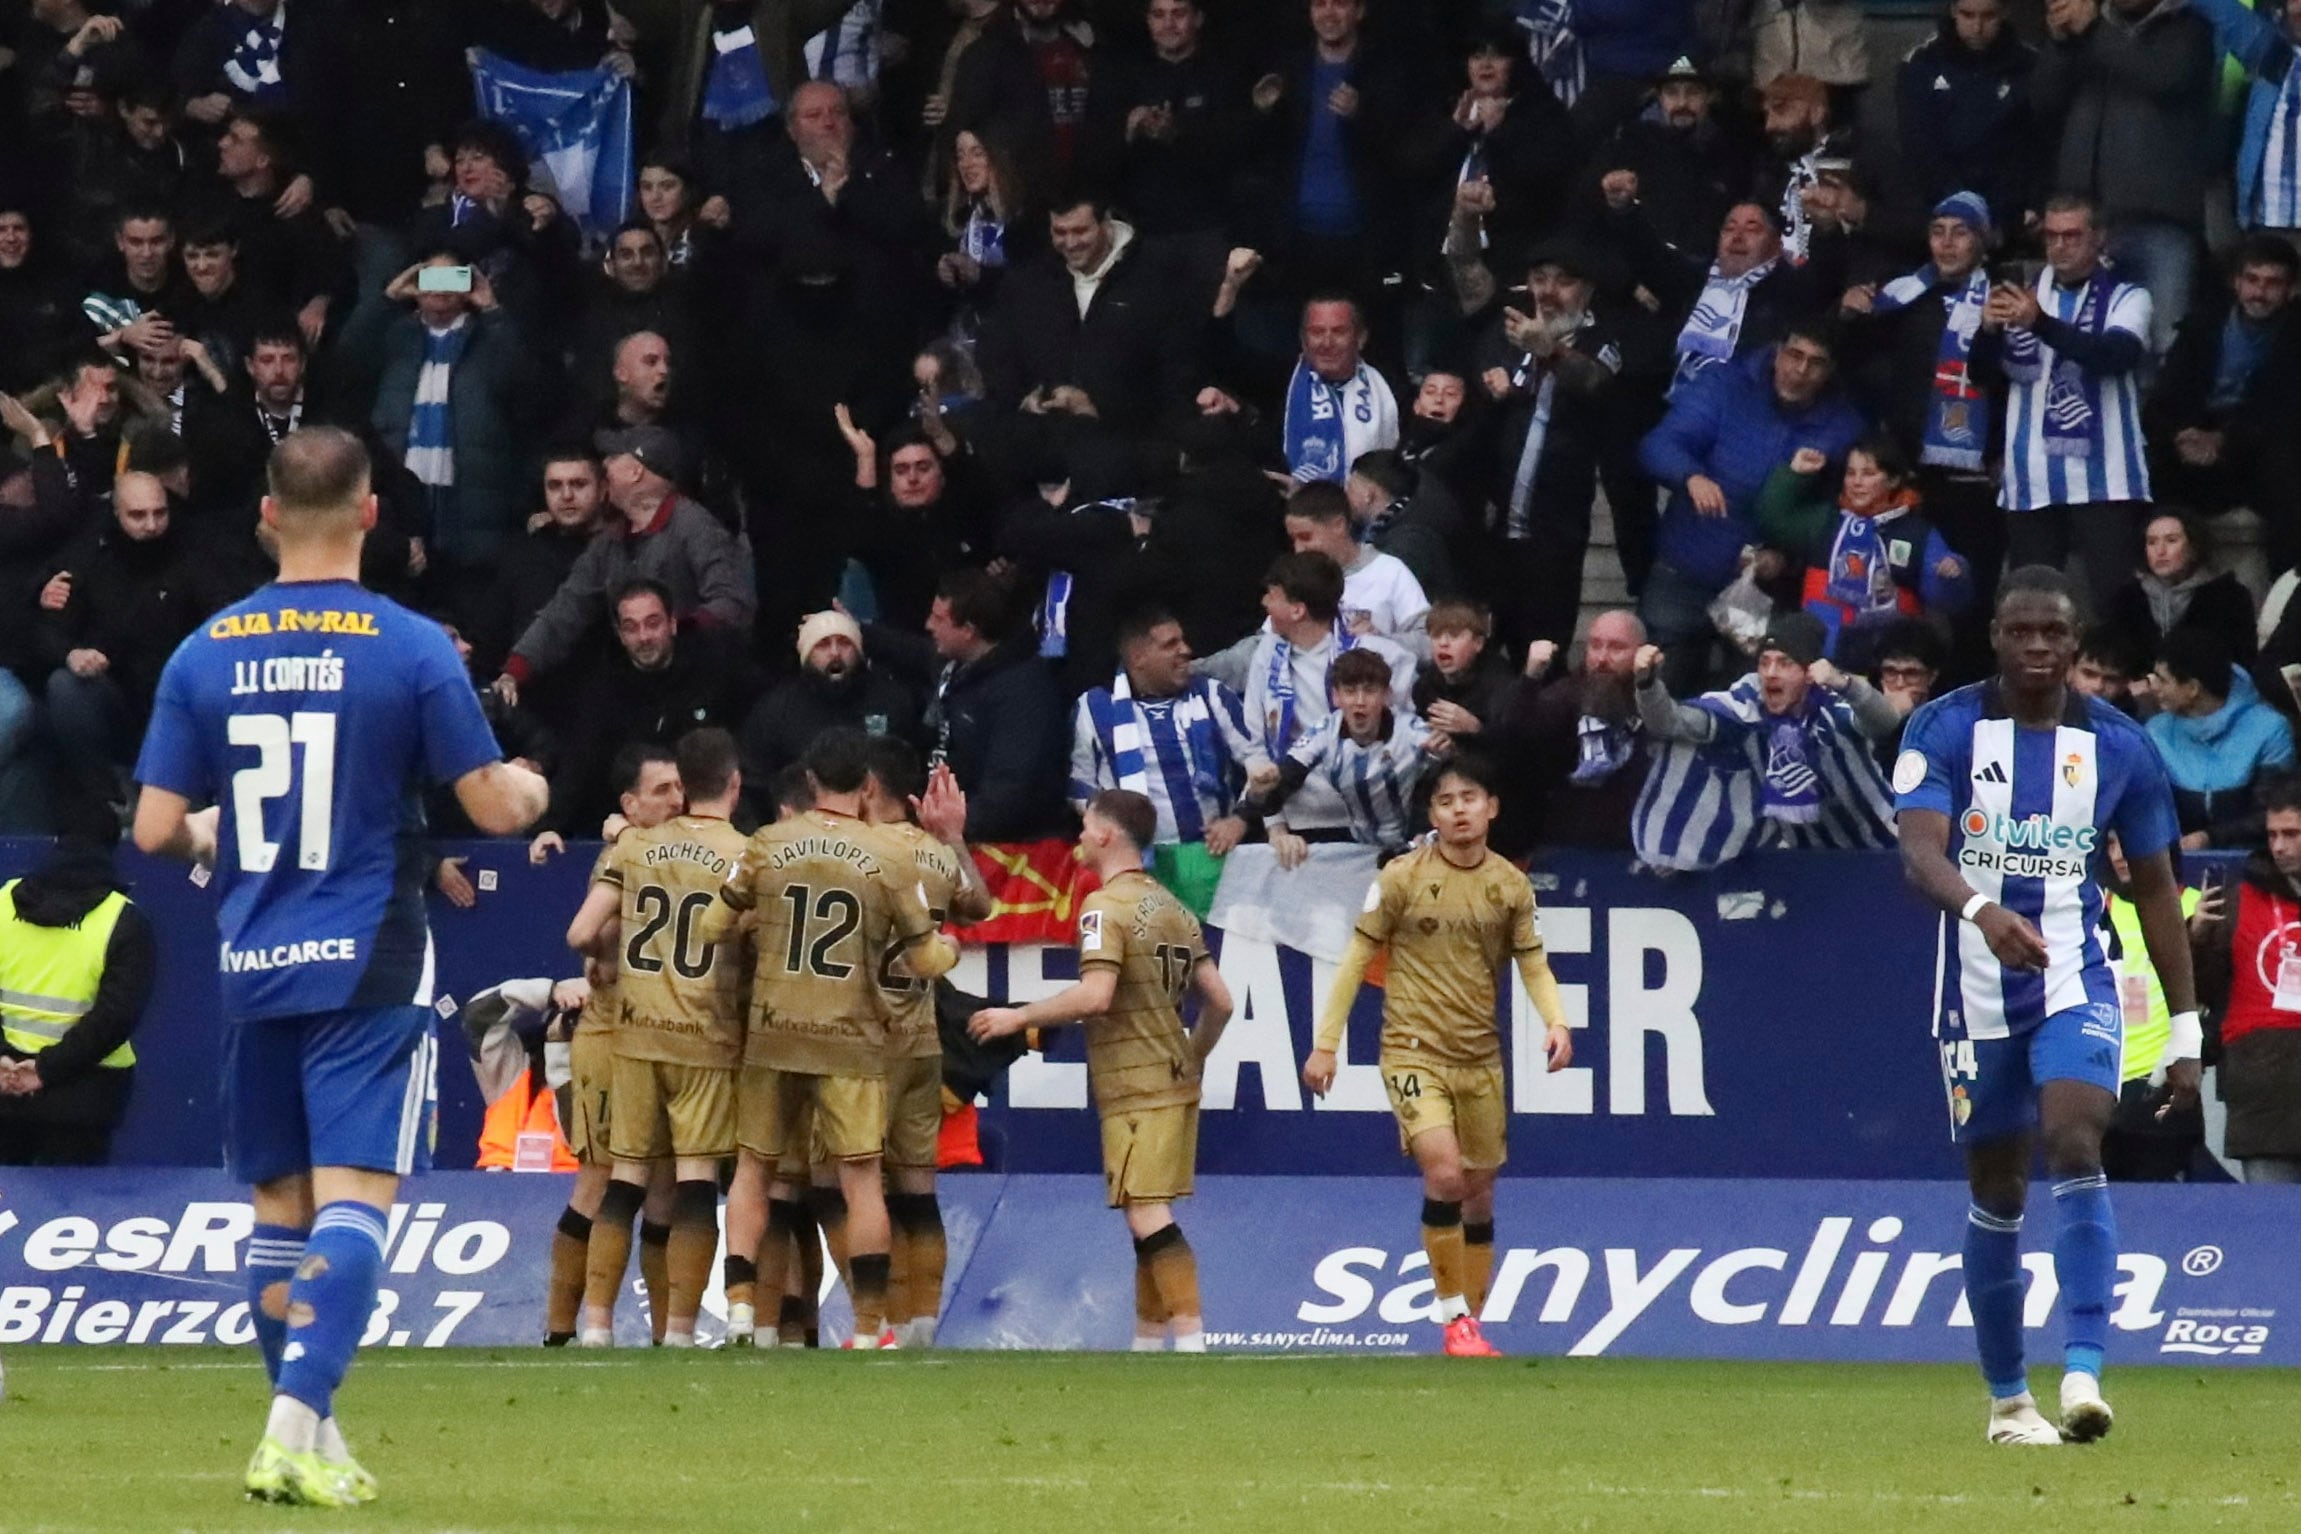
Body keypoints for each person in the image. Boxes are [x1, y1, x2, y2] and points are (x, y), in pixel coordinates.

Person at [130, 427, 548, 1505]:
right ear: (370, 514)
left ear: (267, 517)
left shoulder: (205, 650)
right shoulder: (409, 647)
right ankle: (287, 1425)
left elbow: (151, 829)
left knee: (279, 1207)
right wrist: (538, 788)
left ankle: (311, 1431)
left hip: (254, 955)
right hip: (367, 949)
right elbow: (493, 807)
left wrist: (211, 836)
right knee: (357, 1197)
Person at [1892, 563, 2201, 1446]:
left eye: (2053, 634)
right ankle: (2006, 1401)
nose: (2036, 647)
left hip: (2074, 972)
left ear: (2076, 646)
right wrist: (1982, 912)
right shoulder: (1943, 727)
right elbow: (1918, 851)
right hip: (1975, 984)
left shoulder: (2120, 746)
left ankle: (2082, 1373)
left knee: (2072, 1133)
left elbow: (2153, 884)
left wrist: (2184, 1030)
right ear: (1994, 634)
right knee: (1997, 1187)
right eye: (2019, 631)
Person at [1302, 753, 1572, 1357]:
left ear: (1492, 807)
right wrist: (1326, 1043)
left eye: (1470, 799)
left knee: (1478, 1188)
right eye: (1446, 802)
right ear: (1432, 813)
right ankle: (1455, 1321)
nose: (1459, 811)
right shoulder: (1400, 878)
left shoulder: (1508, 884)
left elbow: (1532, 961)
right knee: (1445, 1174)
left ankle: (1470, 1324)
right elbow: (1355, 959)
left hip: (1480, 1057)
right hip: (1412, 1050)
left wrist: (1556, 1020)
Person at [712, 726, 960, 1350]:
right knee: (861, 1180)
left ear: (812, 781)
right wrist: (949, 949)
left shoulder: (768, 843)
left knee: (753, 1169)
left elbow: (718, 924)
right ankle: (873, 1327)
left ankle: (741, 1309)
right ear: (869, 785)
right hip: (850, 1039)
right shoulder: (891, 858)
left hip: (774, 1032)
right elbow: (926, 960)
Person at [970, 788, 1234, 1352]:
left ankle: (1192, 1341)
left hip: (1135, 1082)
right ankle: (1147, 1340)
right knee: (1144, 1210)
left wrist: (1020, 1016)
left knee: (1146, 1211)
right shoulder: (1173, 907)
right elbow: (1222, 1001)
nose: (1080, 837)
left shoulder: (1103, 907)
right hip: (1170, 1078)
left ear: (1109, 835)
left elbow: (1096, 995)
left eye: (1087, 826)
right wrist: (1194, 1057)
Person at [562, 727, 750, 1349]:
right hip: (703, 1032)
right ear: (733, 783)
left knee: (628, 1178)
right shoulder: (745, 854)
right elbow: (753, 943)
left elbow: (581, 931)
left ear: (685, 786)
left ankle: (594, 1326)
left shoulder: (637, 846)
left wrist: (608, 952)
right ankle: (678, 1332)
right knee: (695, 1179)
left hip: (636, 1033)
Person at [537, 742, 683, 1349]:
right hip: (611, 1035)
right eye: (661, 791)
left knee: (667, 1186)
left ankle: (662, 1335)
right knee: (599, 1180)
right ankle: (563, 1329)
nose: (676, 800)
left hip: (667, 1037)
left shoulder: (678, 855)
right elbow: (589, 938)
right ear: (630, 803)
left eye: (680, 788)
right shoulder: (623, 855)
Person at [849, 742, 990, 1347]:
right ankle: (922, 1324)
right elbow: (980, 906)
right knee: (916, 1186)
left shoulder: (850, 854)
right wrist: (954, 838)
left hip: (861, 1040)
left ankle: (875, 1322)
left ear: (866, 790)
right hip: (922, 1039)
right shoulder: (932, 855)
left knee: (857, 1186)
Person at [1637, 323, 1866, 694]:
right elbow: (1658, 445)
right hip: (1685, 568)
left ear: (1831, 372)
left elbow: (1839, 517)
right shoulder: (1725, 385)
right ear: (1777, 352)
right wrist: (1690, 475)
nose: (1801, 370)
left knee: (1751, 703)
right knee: (1657, 693)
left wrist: (1786, 559)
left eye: (1816, 363)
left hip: (1763, 591)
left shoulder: (1842, 426)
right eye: (1794, 355)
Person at [1976, 195, 2152, 609]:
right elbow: (1983, 377)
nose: (2059, 246)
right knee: (2032, 604)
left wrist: (2039, 323)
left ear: (2098, 238)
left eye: (2072, 235)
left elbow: (2113, 357)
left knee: (2116, 604)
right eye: (2051, 236)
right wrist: (1986, 332)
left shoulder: (2129, 296)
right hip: (2031, 475)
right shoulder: (2024, 292)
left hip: (2106, 475)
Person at [495, 426, 754, 702]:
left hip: (700, 687)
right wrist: (515, 670)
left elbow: (733, 603)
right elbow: (565, 610)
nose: (604, 465)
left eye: (612, 458)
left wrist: (672, 631)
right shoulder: (610, 541)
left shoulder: (696, 526)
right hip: (634, 688)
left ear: (635, 472)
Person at [1630, 611, 1900, 869]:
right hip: (1809, 862)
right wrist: (1647, 686)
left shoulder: (1833, 704)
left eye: (1784, 663)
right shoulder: (1748, 703)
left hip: (1883, 850)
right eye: (1764, 661)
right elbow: (1670, 723)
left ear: (1809, 673)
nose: (1770, 673)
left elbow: (1885, 722)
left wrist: (1845, 684)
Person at [2031, 0, 2213, 356]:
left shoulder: (2189, 30)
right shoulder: (2087, 33)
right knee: (2084, 334)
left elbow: (2163, 77)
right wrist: (2060, 45)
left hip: (2159, 224)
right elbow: (2042, 102)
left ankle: (2159, 414)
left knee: (2165, 341)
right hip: (2088, 224)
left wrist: (2094, 30)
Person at [1068, 607, 1255, 910]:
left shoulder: (1213, 695)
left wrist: (1239, 820)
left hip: (1214, 863)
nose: (1186, 650)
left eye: (1182, 641)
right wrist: (1111, 828)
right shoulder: (1094, 707)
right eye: (1171, 644)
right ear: (1138, 658)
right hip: (1135, 867)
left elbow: (1258, 765)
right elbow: (1079, 786)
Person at [2144, 239, 2301, 571]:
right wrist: (2181, 435)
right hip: (2195, 439)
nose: (2259, 292)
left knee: (2288, 471)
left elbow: (2285, 411)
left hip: (2260, 448)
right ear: (2236, 282)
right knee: (2149, 470)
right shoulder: (2203, 326)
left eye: (2272, 283)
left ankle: (2286, 600)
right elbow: (2167, 394)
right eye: (2253, 280)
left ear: (2291, 289)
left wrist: (2225, 441)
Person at [1754, 435, 1972, 668]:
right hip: (1820, 654)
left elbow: (1948, 600)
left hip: (1884, 661)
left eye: (1868, 474)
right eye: (1850, 473)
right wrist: (1795, 475)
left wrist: (1951, 575)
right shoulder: (1827, 521)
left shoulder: (1916, 532)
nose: (1856, 482)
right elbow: (1776, 519)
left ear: (1893, 479)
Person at [0, 835, 154, 1166]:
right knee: (71, 1207)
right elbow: (115, 1017)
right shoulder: (124, 920)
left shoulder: (3, 902)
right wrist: (45, 1070)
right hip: (87, 1095)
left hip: (5, 1082)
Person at [2189, 775, 2301, 1183]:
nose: (2279, 846)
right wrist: (2198, 937)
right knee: (2273, 1232)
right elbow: (2201, 992)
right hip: (2264, 1096)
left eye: (2291, 834)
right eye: (2273, 834)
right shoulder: (2239, 898)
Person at [1240, 646, 1444, 863]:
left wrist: (1428, 831)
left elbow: (1458, 773)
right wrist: (1260, 794)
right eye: (1350, 691)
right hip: (1361, 848)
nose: (1359, 701)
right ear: (1335, 697)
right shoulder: (1323, 734)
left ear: (1386, 695)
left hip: (1415, 843)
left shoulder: (1412, 733)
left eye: (1369, 691)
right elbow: (1282, 785)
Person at [740, 609, 921, 797]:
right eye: (823, 645)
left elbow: (909, 773)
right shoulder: (775, 711)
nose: (835, 653)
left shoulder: (891, 700)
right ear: (806, 654)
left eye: (844, 643)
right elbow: (757, 785)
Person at [1893, 0, 2038, 234]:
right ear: (1952, 10)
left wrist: (2003, 216)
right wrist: (1964, 210)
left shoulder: (2029, 65)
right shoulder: (1921, 64)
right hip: (1940, 216)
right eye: (1968, 15)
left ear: (2005, 13)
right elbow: (1920, 149)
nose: (1977, 28)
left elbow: (2031, 148)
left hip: (2007, 220)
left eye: (1988, 16)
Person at [2144, 627, 2295, 851]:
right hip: (2179, 864)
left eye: (2162, 680)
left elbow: (2274, 810)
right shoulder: (2155, 731)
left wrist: (2209, 837)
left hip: (2254, 864)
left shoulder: (2269, 729)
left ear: (2192, 688)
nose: (2152, 686)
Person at [1281, 480, 1428, 649]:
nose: (1298, 549)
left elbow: (1429, 641)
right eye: (1293, 540)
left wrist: (1380, 641)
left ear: (1339, 525)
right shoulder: (1296, 579)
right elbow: (1265, 640)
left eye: (1306, 537)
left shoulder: (1389, 571)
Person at [2101, 512, 2258, 670]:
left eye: (2171, 540)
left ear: (2193, 547)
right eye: (2151, 542)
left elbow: (2241, 660)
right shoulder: (2127, 598)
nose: (2160, 551)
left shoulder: (2229, 596)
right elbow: (2113, 658)